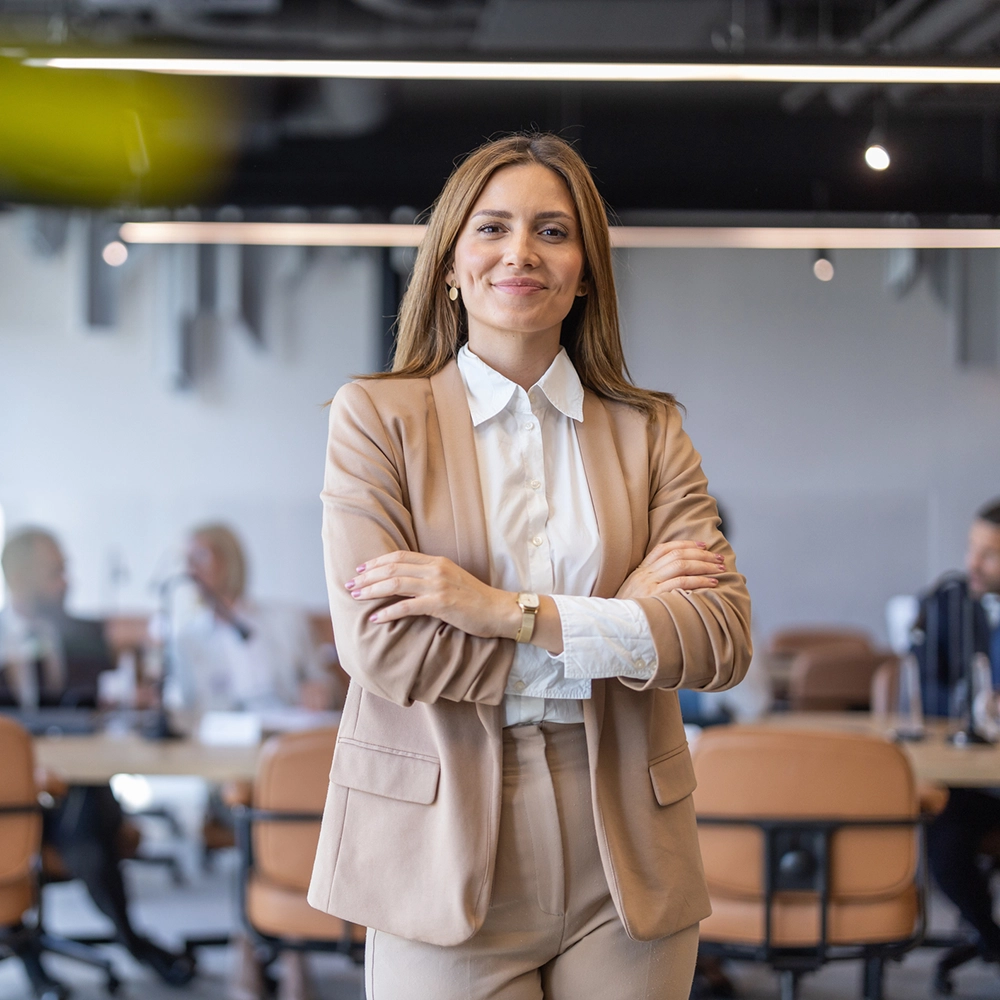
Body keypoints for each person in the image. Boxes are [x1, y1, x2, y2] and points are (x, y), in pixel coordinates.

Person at [306, 133, 752, 1000]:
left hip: (624, 840)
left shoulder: (650, 429)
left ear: (585, 270)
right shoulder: (376, 419)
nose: (521, 252)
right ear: (449, 264)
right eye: (492, 228)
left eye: (553, 231)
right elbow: (389, 652)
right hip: (443, 843)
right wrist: (620, 622)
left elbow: (721, 639)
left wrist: (503, 610)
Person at [0, 527, 195, 990]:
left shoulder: (85, 635)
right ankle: (132, 945)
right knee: (76, 835)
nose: (66, 581)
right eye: (55, 572)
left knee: (84, 823)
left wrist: (132, 698)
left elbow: (108, 702)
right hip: (9, 793)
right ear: (21, 577)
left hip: (78, 789)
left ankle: (85, 945)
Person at [921, 499, 1000, 964]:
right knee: (945, 845)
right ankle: (991, 938)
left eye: (989, 553)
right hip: (978, 781)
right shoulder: (957, 605)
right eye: (972, 547)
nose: (972, 562)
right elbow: (931, 692)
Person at [169, 523, 334, 713]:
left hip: (285, 731)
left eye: (201, 556)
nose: (191, 570)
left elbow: (325, 682)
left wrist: (320, 691)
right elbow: (182, 705)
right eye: (188, 561)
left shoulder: (287, 620)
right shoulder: (188, 639)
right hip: (222, 737)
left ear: (229, 559)